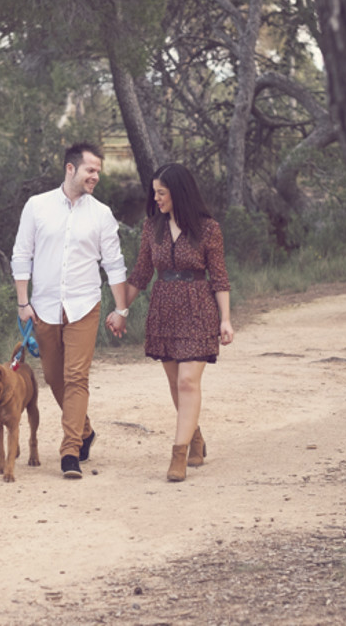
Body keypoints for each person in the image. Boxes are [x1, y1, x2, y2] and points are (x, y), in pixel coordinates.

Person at [107, 163, 233, 482]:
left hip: (198, 309)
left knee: (188, 382)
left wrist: (226, 320)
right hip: (164, 310)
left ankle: (178, 454)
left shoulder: (208, 229)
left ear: (178, 192)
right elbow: (141, 274)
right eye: (154, 192)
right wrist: (121, 310)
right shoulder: (153, 227)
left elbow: (219, 277)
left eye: (161, 192)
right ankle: (195, 437)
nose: (156, 198)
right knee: (176, 382)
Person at [12, 142, 130, 479]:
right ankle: (85, 430)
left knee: (76, 377)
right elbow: (22, 255)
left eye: (98, 172)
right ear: (70, 168)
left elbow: (114, 264)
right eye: (90, 170)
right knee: (54, 377)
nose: (96, 176)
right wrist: (23, 302)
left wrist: (121, 309)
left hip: (84, 305)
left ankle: (70, 451)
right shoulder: (37, 206)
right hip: (44, 307)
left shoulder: (101, 214)